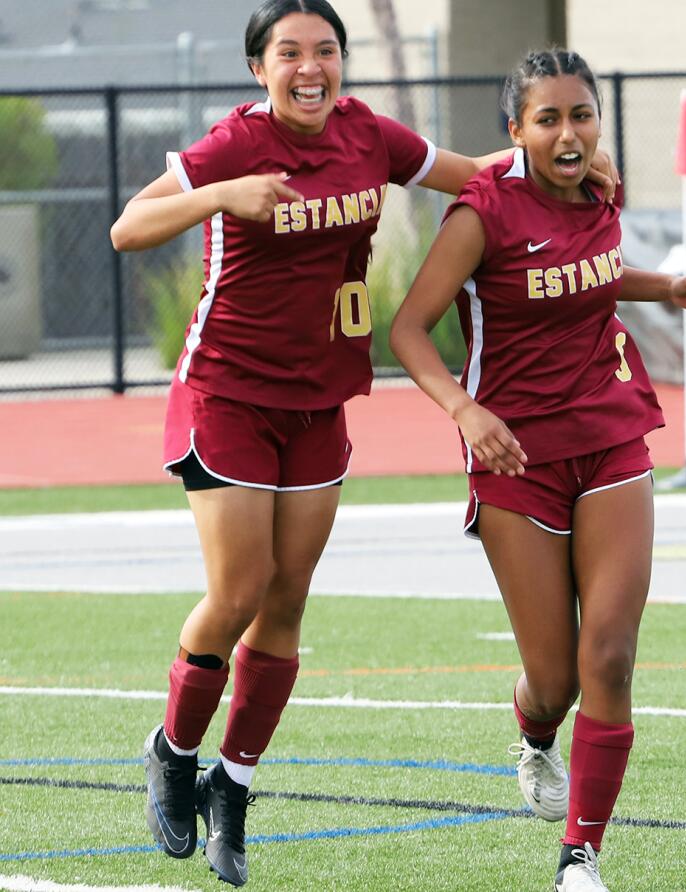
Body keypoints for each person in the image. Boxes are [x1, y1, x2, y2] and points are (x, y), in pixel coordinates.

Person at [109, 3, 618, 886]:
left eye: (326, 51)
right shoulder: (232, 146)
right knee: (238, 592)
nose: (311, 68)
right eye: (290, 54)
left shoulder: (367, 135)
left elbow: (477, 175)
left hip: (319, 402)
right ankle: (174, 748)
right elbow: (128, 227)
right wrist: (221, 195)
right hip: (227, 393)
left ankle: (234, 785)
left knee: (287, 604)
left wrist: (557, 157)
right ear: (258, 69)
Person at [390, 48, 686, 892]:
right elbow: (409, 331)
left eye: (581, 115)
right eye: (548, 119)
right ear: (516, 131)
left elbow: (592, 278)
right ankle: (535, 738)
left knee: (609, 654)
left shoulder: (602, 188)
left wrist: (667, 286)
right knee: (557, 678)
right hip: (516, 456)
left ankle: (581, 857)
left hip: (611, 436)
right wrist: (466, 411)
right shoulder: (482, 213)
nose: (568, 133)